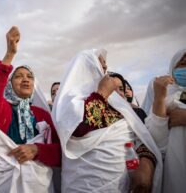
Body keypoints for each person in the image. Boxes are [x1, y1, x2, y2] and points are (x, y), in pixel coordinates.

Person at [52, 49, 162, 192]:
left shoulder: (115, 102)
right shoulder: (69, 99)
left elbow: (138, 134)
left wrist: (145, 164)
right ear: (85, 66)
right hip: (84, 186)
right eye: (100, 62)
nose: (104, 67)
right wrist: (102, 93)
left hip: (121, 185)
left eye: (105, 64)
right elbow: (78, 129)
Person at [0, 26, 61, 193]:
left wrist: (37, 150)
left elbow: (61, 153)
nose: (25, 80)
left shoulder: (42, 115)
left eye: (30, 77)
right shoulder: (3, 109)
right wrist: (9, 55)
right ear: (9, 84)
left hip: (40, 186)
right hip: (3, 184)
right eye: (19, 76)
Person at [145, 48, 186, 193]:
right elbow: (156, 142)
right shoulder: (169, 97)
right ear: (173, 70)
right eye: (183, 64)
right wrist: (159, 99)